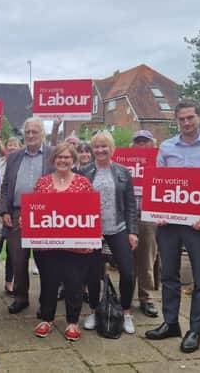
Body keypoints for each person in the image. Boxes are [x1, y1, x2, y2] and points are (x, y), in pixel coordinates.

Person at [145, 98, 200, 353]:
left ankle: (195, 330)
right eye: (181, 119)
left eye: (190, 117)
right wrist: (157, 211)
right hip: (169, 224)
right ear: (176, 120)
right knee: (169, 275)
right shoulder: (167, 147)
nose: (186, 122)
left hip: (199, 225)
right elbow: (158, 182)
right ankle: (170, 323)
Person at [32, 143, 96, 341]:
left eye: (67, 157)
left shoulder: (83, 183)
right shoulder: (42, 183)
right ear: (53, 160)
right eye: (59, 157)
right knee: (48, 282)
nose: (63, 160)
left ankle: (72, 322)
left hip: (75, 247)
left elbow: (91, 211)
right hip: (47, 245)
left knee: (74, 284)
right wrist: (27, 218)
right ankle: (46, 318)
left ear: (73, 160)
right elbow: (35, 208)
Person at [80, 130, 138, 335]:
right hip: (93, 229)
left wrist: (133, 231)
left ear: (111, 148)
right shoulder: (84, 172)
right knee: (93, 274)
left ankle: (126, 311)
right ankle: (95, 310)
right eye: (96, 146)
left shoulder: (123, 172)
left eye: (104, 146)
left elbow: (131, 204)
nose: (100, 150)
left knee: (128, 271)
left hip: (118, 228)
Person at [0, 117, 55, 315]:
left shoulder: (52, 155)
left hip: (45, 214)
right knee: (18, 259)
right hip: (17, 213)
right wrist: (5, 210)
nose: (31, 135)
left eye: (35, 132)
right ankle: (21, 297)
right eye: (28, 132)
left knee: (45, 260)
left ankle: (46, 302)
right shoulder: (14, 157)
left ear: (43, 134)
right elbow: (5, 185)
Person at [130, 130, 160, 318]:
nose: (141, 145)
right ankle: (126, 295)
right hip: (128, 217)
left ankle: (146, 297)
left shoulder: (160, 161)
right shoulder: (125, 163)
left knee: (147, 259)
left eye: (145, 141)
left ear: (152, 144)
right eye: (138, 142)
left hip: (149, 217)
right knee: (127, 260)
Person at [0, 137, 20, 296]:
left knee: (13, 250)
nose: (12, 147)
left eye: (15, 145)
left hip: (15, 212)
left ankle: (9, 282)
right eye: (10, 145)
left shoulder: (22, 164)